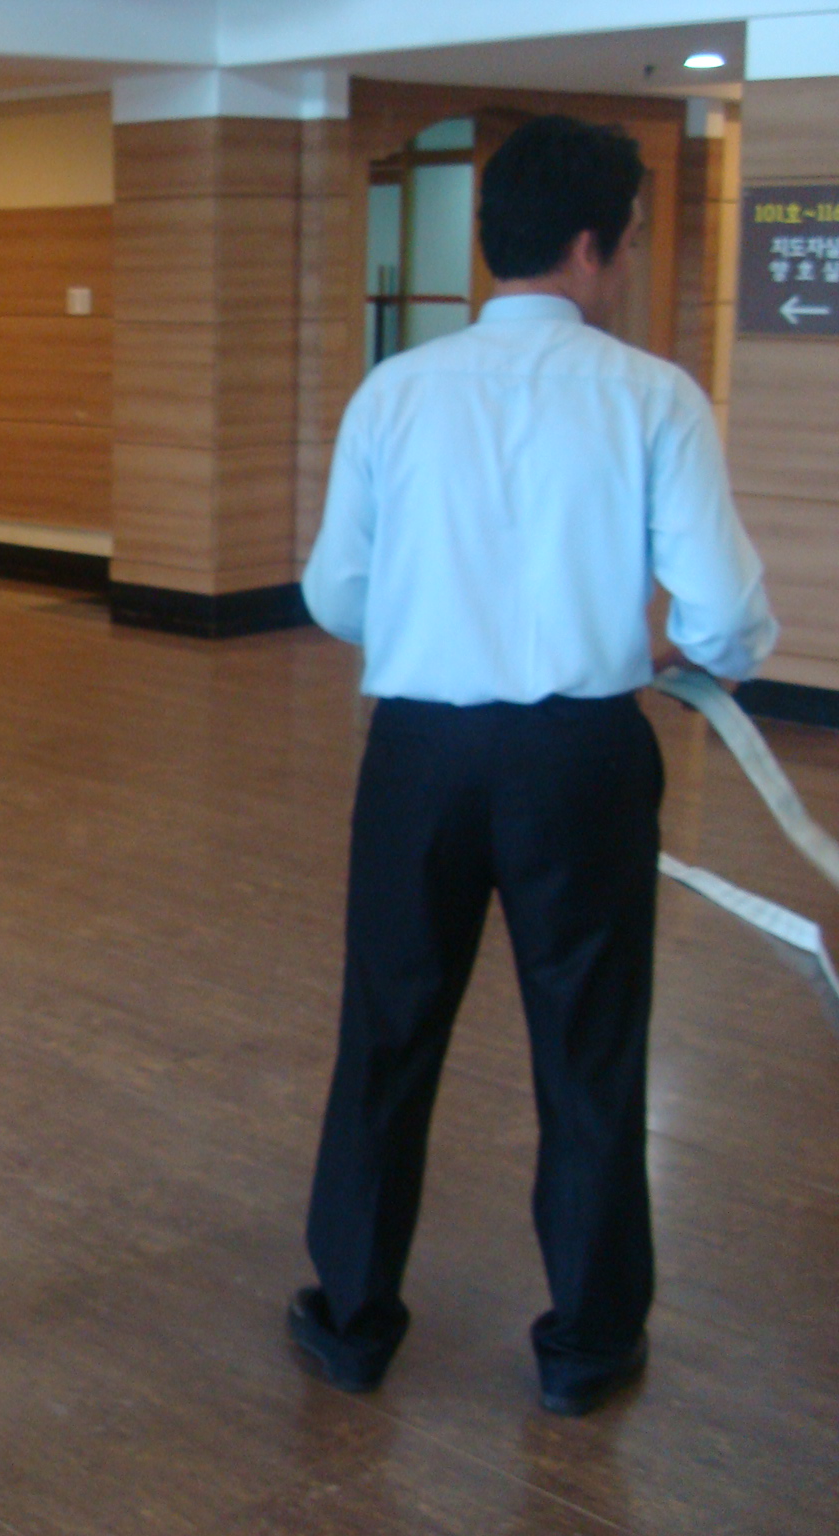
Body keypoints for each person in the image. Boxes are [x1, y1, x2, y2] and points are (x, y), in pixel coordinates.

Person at [289, 115, 778, 1416]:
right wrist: (690, 651)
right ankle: (587, 1346)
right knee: (591, 1046)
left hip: (420, 755)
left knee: (388, 1031)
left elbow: (336, 594)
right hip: (582, 760)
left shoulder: (394, 392)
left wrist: (437, 627)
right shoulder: (655, 397)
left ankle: (351, 1320)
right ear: (594, 244)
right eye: (630, 240)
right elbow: (727, 615)